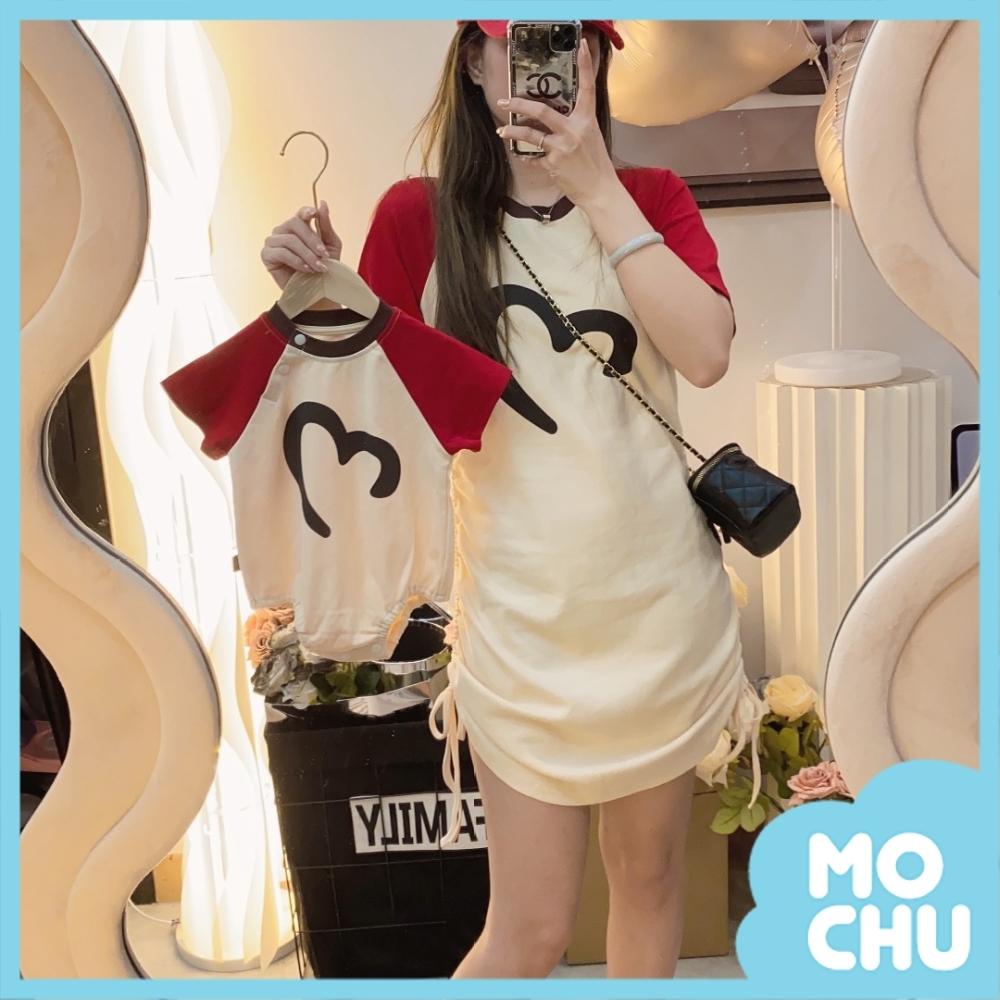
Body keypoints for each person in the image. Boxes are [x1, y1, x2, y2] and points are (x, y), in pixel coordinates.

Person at [260, 19, 758, 980]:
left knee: (650, 881)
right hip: (522, 624)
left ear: (598, 59)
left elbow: (704, 352)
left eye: (570, 41)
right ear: (474, 59)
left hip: (660, 613)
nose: (546, 65)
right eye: (520, 39)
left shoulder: (653, 196)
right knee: (529, 927)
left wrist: (597, 186)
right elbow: (377, 421)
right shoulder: (419, 216)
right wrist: (318, 302)